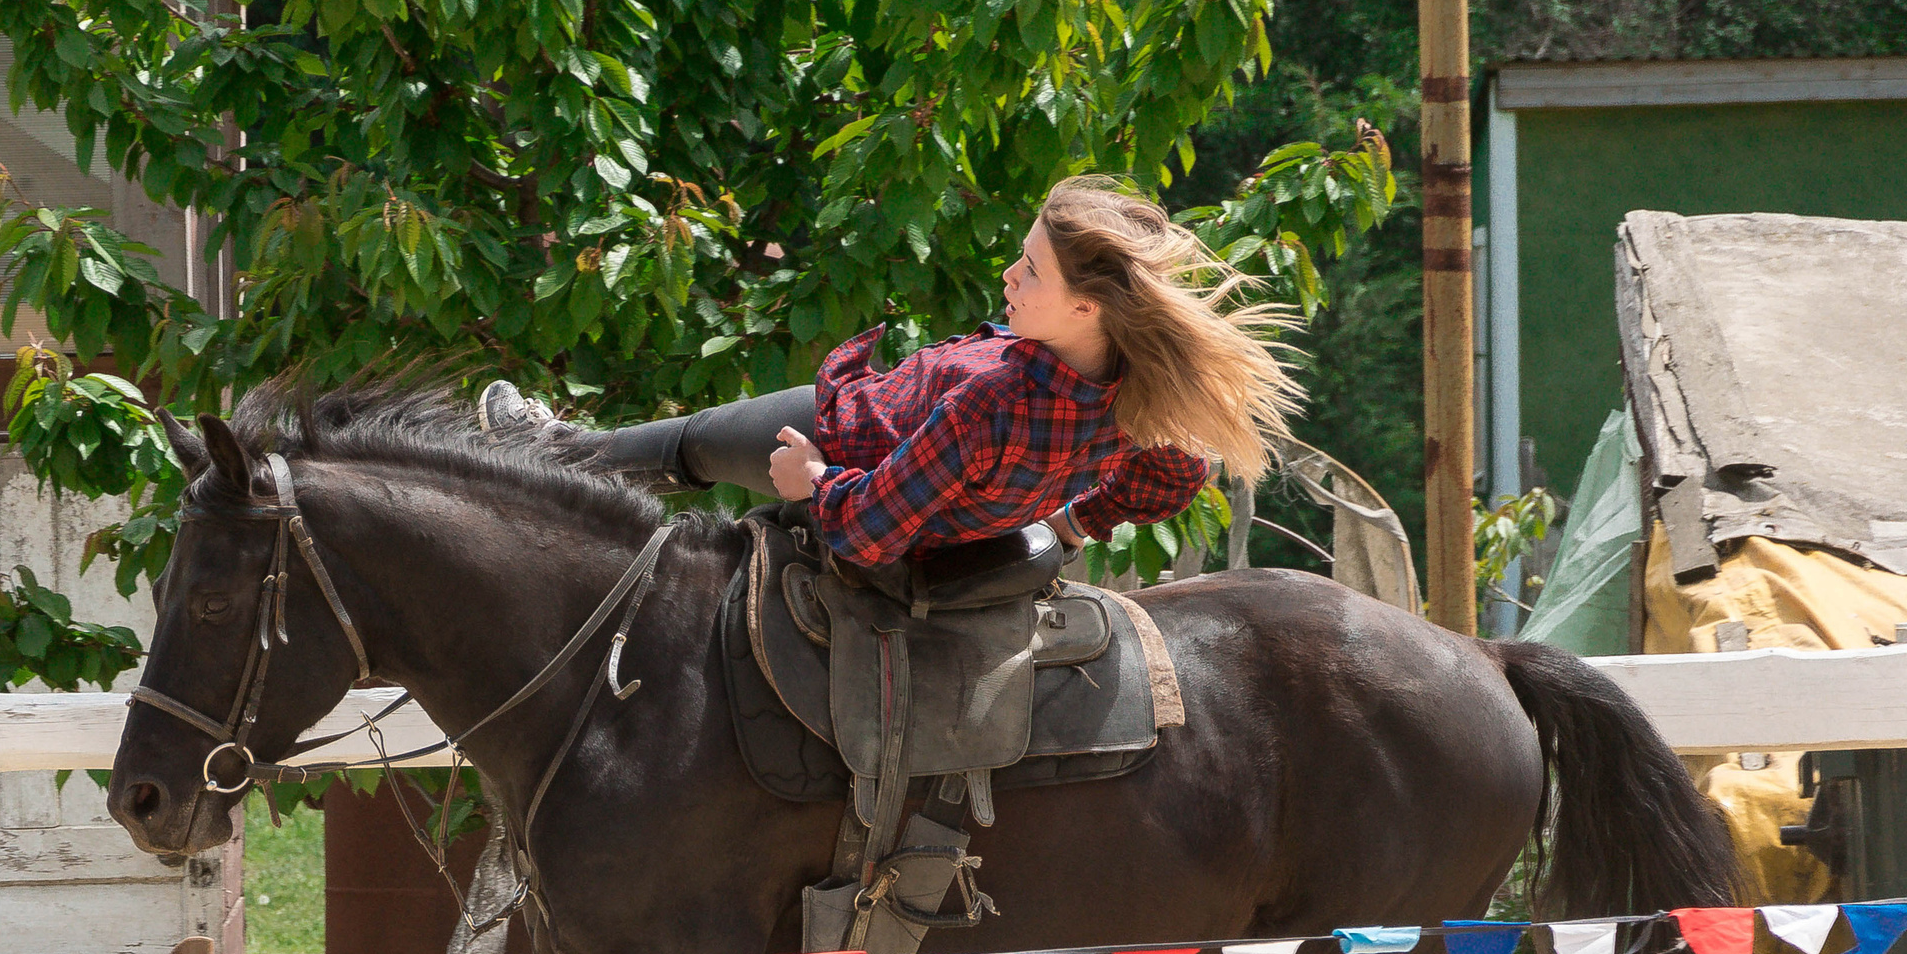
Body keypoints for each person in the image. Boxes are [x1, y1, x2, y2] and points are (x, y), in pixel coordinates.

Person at [479, 175, 1299, 567]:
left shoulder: (993, 401)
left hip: (848, 439)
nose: (1010, 278)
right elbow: (1177, 477)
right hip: (969, 515)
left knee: (692, 447)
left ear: (1088, 308)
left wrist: (812, 479)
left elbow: (868, 531)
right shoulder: (1138, 397)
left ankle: (544, 449)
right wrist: (1075, 524)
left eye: (1032, 272)